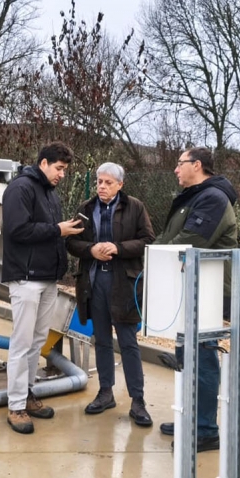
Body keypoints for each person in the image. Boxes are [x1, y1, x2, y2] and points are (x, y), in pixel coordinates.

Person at [156, 147, 238, 452]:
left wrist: (156, 255)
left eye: (180, 163)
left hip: (207, 291)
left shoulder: (213, 198)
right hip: (188, 287)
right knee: (186, 355)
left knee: (202, 359)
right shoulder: (194, 197)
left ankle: (205, 430)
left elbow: (191, 240)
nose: (176, 169)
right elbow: (171, 239)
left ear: (197, 165)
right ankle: (189, 418)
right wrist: (154, 253)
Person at [2, 142, 84, 434]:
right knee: (22, 343)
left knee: (37, 341)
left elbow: (49, 233)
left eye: (65, 170)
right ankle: (15, 406)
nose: (62, 174)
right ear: (44, 163)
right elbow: (17, 229)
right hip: (26, 277)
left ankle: (27, 394)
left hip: (47, 277)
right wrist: (58, 229)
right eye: (59, 168)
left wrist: (63, 232)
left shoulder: (50, 193)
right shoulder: (20, 188)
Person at [66, 162, 156, 427]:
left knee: (128, 342)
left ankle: (137, 400)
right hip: (94, 282)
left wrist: (118, 248)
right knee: (102, 339)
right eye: (99, 182)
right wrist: (91, 250)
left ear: (120, 185)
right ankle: (106, 393)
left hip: (124, 284)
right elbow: (71, 241)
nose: (102, 187)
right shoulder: (85, 209)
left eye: (108, 182)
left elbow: (148, 240)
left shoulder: (135, 207)